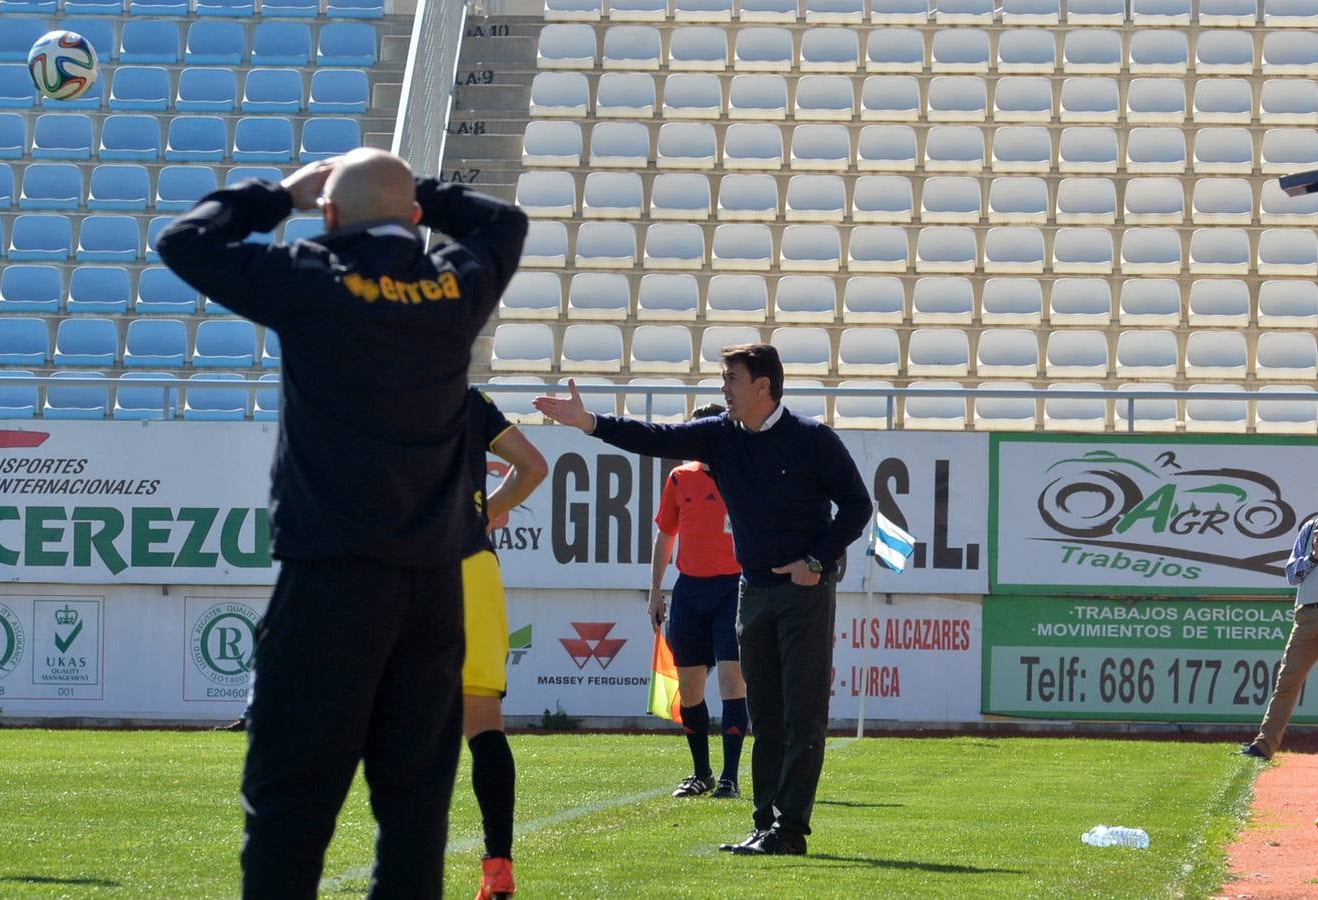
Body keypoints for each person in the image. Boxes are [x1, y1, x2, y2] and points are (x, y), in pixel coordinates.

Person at [157, 149, 528, 898]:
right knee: (415, 815)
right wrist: (404, 191)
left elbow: (183, 241)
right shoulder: (455, 284)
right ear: (416, 219)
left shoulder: (312, 277)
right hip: (432, 588)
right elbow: (502, 219)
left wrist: (279, 195)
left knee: (291, 805)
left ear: (327, 213)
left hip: (332, 580)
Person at [534, 344, 870, 857]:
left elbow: (858, 506)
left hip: (805, 593)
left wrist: (818, 561)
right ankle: (765, 825)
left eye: (731, 378)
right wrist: (590, 422)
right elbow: (656, 437)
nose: (723, 388)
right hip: (751, 591)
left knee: (803, 716)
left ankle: (790, 831)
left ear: (764, 386)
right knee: (765, 714)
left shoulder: (812, 439)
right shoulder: (719, 436)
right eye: (723, 378)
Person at [461, 387, 548, 900]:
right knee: (483, 725)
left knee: (402, 729)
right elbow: (534, 466)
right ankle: (497, 869)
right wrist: (485, 510)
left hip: (400, 570)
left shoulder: (367, 392)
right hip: (471, 565)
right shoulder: (467, 400)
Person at [648, 403, 748, 801]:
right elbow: (665, 535)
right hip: (689, 589)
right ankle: (701, 773)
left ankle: (730, 778)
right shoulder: (679, 478)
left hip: (733, 588)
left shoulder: (742, 474)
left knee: (730, 681)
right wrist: (656, 590)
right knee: (689, 688)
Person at [1242, 512, 1318, 760]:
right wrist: (1313, 556)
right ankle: (1263, 747)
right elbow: (1291, 575)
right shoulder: (1310, 527)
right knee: (1286, 683)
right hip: (1308, 616)